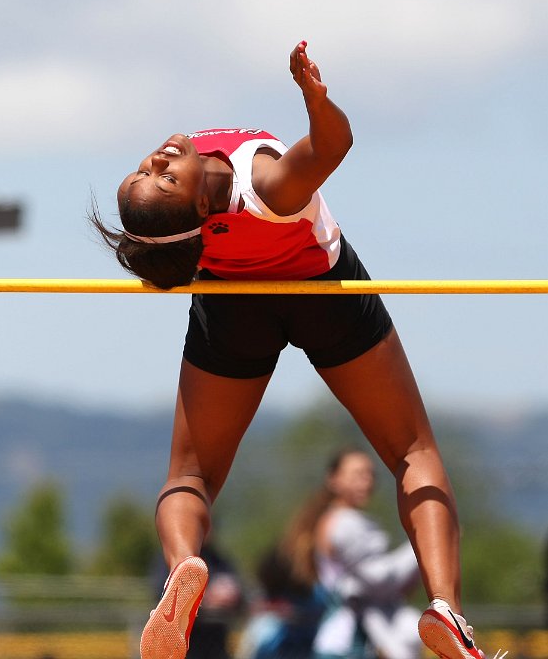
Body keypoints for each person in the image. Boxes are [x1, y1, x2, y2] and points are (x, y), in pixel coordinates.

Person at [90, 41, 502, 659]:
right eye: (164, 175)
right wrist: (318, 102)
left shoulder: (187, 238)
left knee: (191, 476)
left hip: (230, 303)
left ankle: (182, 568)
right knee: (412, 449)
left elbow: (162, 266)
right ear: (203, 208)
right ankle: (447, 609)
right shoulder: (267, 182)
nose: (157, 158)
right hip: (321, 290)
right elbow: (333, 146)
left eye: (147, 169)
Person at [281, 447, 421, 659]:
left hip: (347, 642)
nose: (367, 481)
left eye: (371, 474)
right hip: (347, 644)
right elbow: (381, 578)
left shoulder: (338, 519)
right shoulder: (344, 523)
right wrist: (425, 542)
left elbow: (392, 587)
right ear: (334, 479)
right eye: (358, 474)